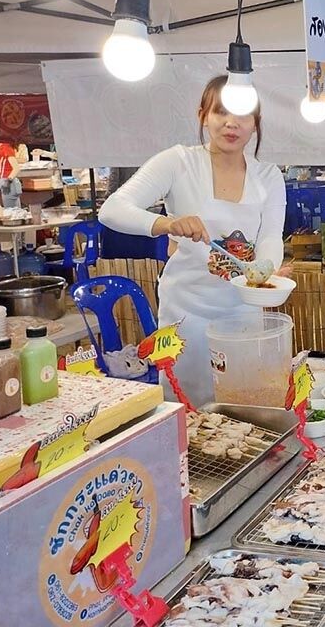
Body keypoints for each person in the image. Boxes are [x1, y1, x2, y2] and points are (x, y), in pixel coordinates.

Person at [99, 75, 288, 405]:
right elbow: (112, 210)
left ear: (256, 123)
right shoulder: (178, 162)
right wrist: (166, 223)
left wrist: (266, 270)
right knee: (188, 404)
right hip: (187, 314)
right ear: (203, 114)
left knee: (244, 401)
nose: (231, 124)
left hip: (243, 311)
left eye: (243, 115)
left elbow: (271, 236)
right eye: (220, 113)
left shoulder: (268, 176)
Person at [0, 141, 21, 208]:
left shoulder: (6, 147)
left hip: (8, 183)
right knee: (10, 211)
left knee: (12, 211)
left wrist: (8, 182)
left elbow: (16, 168)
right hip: (1, 181)